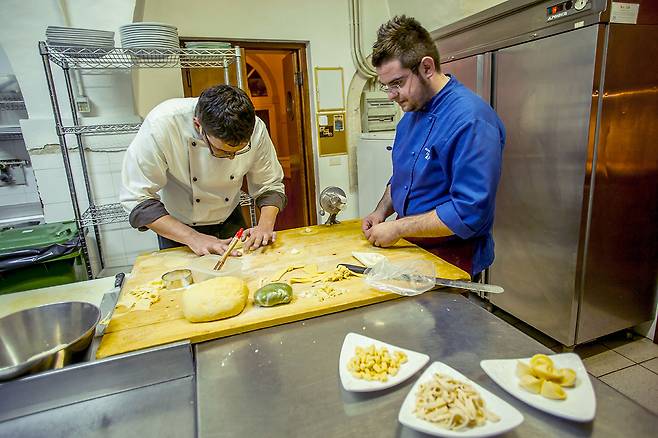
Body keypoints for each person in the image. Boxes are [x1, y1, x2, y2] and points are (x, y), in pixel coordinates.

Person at [362, 15, 505, 278]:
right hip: (413, 251)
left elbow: (467, 211)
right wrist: (381, 211)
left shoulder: (471, 120)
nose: (392, 95)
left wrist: (398, 228)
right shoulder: (410, 116)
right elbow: (403, 179)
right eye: (386, 87)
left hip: (453, 259)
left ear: (426, 67)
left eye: (398, 83)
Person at [120, 84, 286, 255]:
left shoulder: (255, 128)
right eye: (221, 151)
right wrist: (193, 237)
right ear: (198, 125)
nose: (231, 158)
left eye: (239, 152)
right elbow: (138, 199)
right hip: (178, 229)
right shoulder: (162, 124)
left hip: (230, 218)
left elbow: (269, 184)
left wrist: (264, 225)